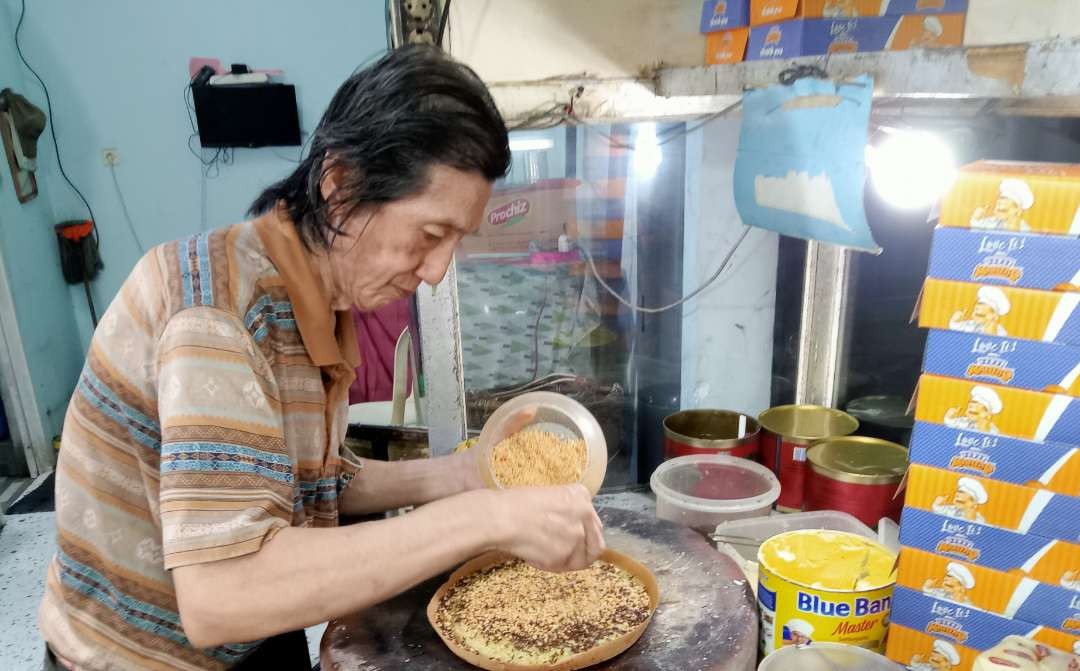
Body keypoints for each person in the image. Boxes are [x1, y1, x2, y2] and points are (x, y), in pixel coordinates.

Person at [38, 46, 604, 671]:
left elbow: (310, 482)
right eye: (431, 234)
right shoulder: (219, 318)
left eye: (457, 241)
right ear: (339, 188)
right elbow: (223, 594)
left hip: (257, 637)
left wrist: (461, 477)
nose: (439, 271)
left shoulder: (311, 301)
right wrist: (485, 518)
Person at [971, 178, 1035, 232]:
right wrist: (976, 218)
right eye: (998, 210)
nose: (996, 213)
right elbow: (976, 232)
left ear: (1018, 211)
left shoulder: (1025, 231)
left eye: (1003, 211)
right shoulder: (992, 222)